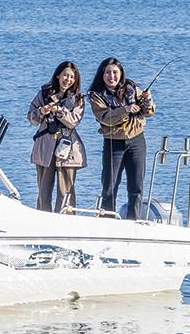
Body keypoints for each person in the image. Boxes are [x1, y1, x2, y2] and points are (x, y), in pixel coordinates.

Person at [88, 57, 155, 220]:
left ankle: (134, 221)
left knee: (136, 186)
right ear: (102, 74)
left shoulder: (132, 88)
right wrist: (125, 110)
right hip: (113, 143)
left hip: (137, 140)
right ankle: (107, 221)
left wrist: (147, 100)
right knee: (110, 186)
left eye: (115, 72)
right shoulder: (96, 95)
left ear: (121, 73)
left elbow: (149, 112)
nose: (112, 76)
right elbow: (105, 118)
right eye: (108, 73)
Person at [27, 61, 87, 212]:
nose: (68, 79)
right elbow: (31, 118)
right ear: (58, 75)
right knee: (43, 191)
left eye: (72, 77)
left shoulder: (78, 98)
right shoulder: (44, 94)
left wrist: (59, 111)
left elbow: (74, 121)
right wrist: (42, 111)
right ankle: (42, 218)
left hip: (67, 148)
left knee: (66, 191)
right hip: (45, 146)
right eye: (65, 75)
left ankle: (66, 221)